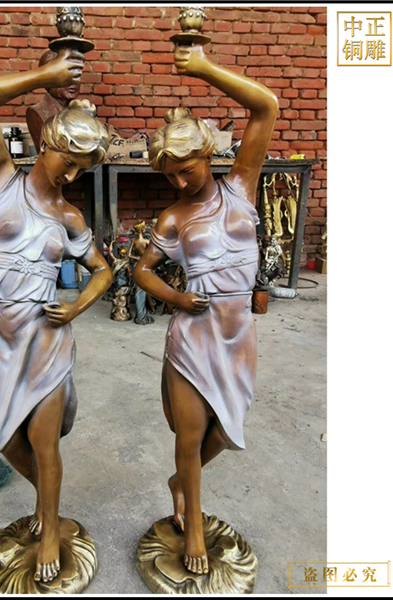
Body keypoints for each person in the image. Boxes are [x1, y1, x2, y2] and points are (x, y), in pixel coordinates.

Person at [0, 48, 112, 584]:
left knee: (45, 443)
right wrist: (45, 76)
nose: (70, 175)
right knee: (7, 439)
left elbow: (103, 271)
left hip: (47, 338)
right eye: (67, 161)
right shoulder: (2, 180)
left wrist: (75, 307)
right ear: (46, 142)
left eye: (81, 170)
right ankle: (45, 505)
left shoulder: (69, 215)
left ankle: (50, 526)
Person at [134, 43, 278, 576]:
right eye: (169, 175)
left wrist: (204, 69)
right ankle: (192, 523)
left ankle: (181, 481)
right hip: (193, 337)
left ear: (207, 156)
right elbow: (141, 271)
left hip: (238, 335)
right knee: (189, 434)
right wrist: (176, 298)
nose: (179, 182)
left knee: (227, 429)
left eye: (186, 170)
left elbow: (265, 107)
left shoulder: (241, 187)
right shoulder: (173, 218)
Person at [25, 49, 80, 152]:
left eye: (76, 76)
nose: (73, 82)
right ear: (47, 80)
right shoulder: (37, 113)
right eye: (64, 76)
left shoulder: (81, 113)